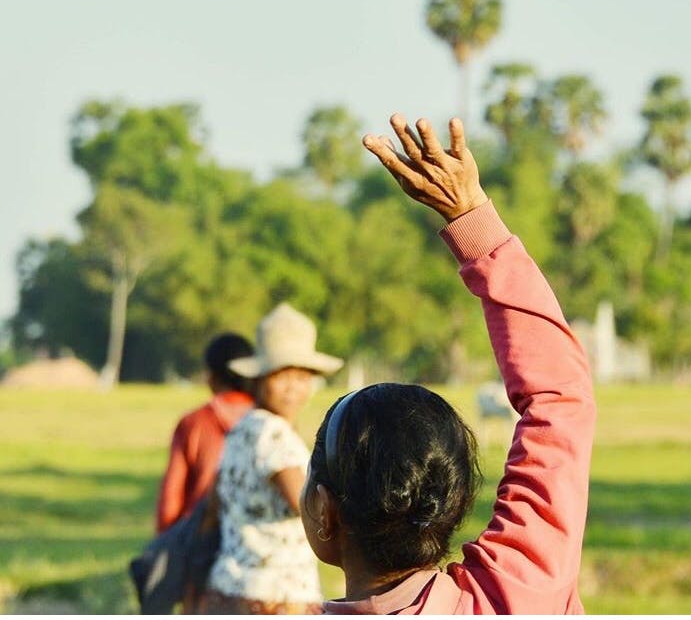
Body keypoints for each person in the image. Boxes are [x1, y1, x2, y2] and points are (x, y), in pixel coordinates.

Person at [299, 115, 597, 614]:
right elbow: (560, 400)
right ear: (451, 502)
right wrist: (473, 218)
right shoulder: (517, 593)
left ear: (324, 513)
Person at [200, 302, 344, 614]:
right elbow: (310, 508)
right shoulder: (276, 435)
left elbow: (213, 507)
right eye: (283, 376)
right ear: (259, 379)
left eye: (303, 377)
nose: (294, 388)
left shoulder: (241, 428)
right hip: (278, 598)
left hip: (227, 589)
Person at [156, 332, 256, 533]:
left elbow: (171, 497)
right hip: (252, 538)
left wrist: (166, 542)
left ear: (211, 377)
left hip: (201, 536)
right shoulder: (270, 422)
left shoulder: (194, 422)